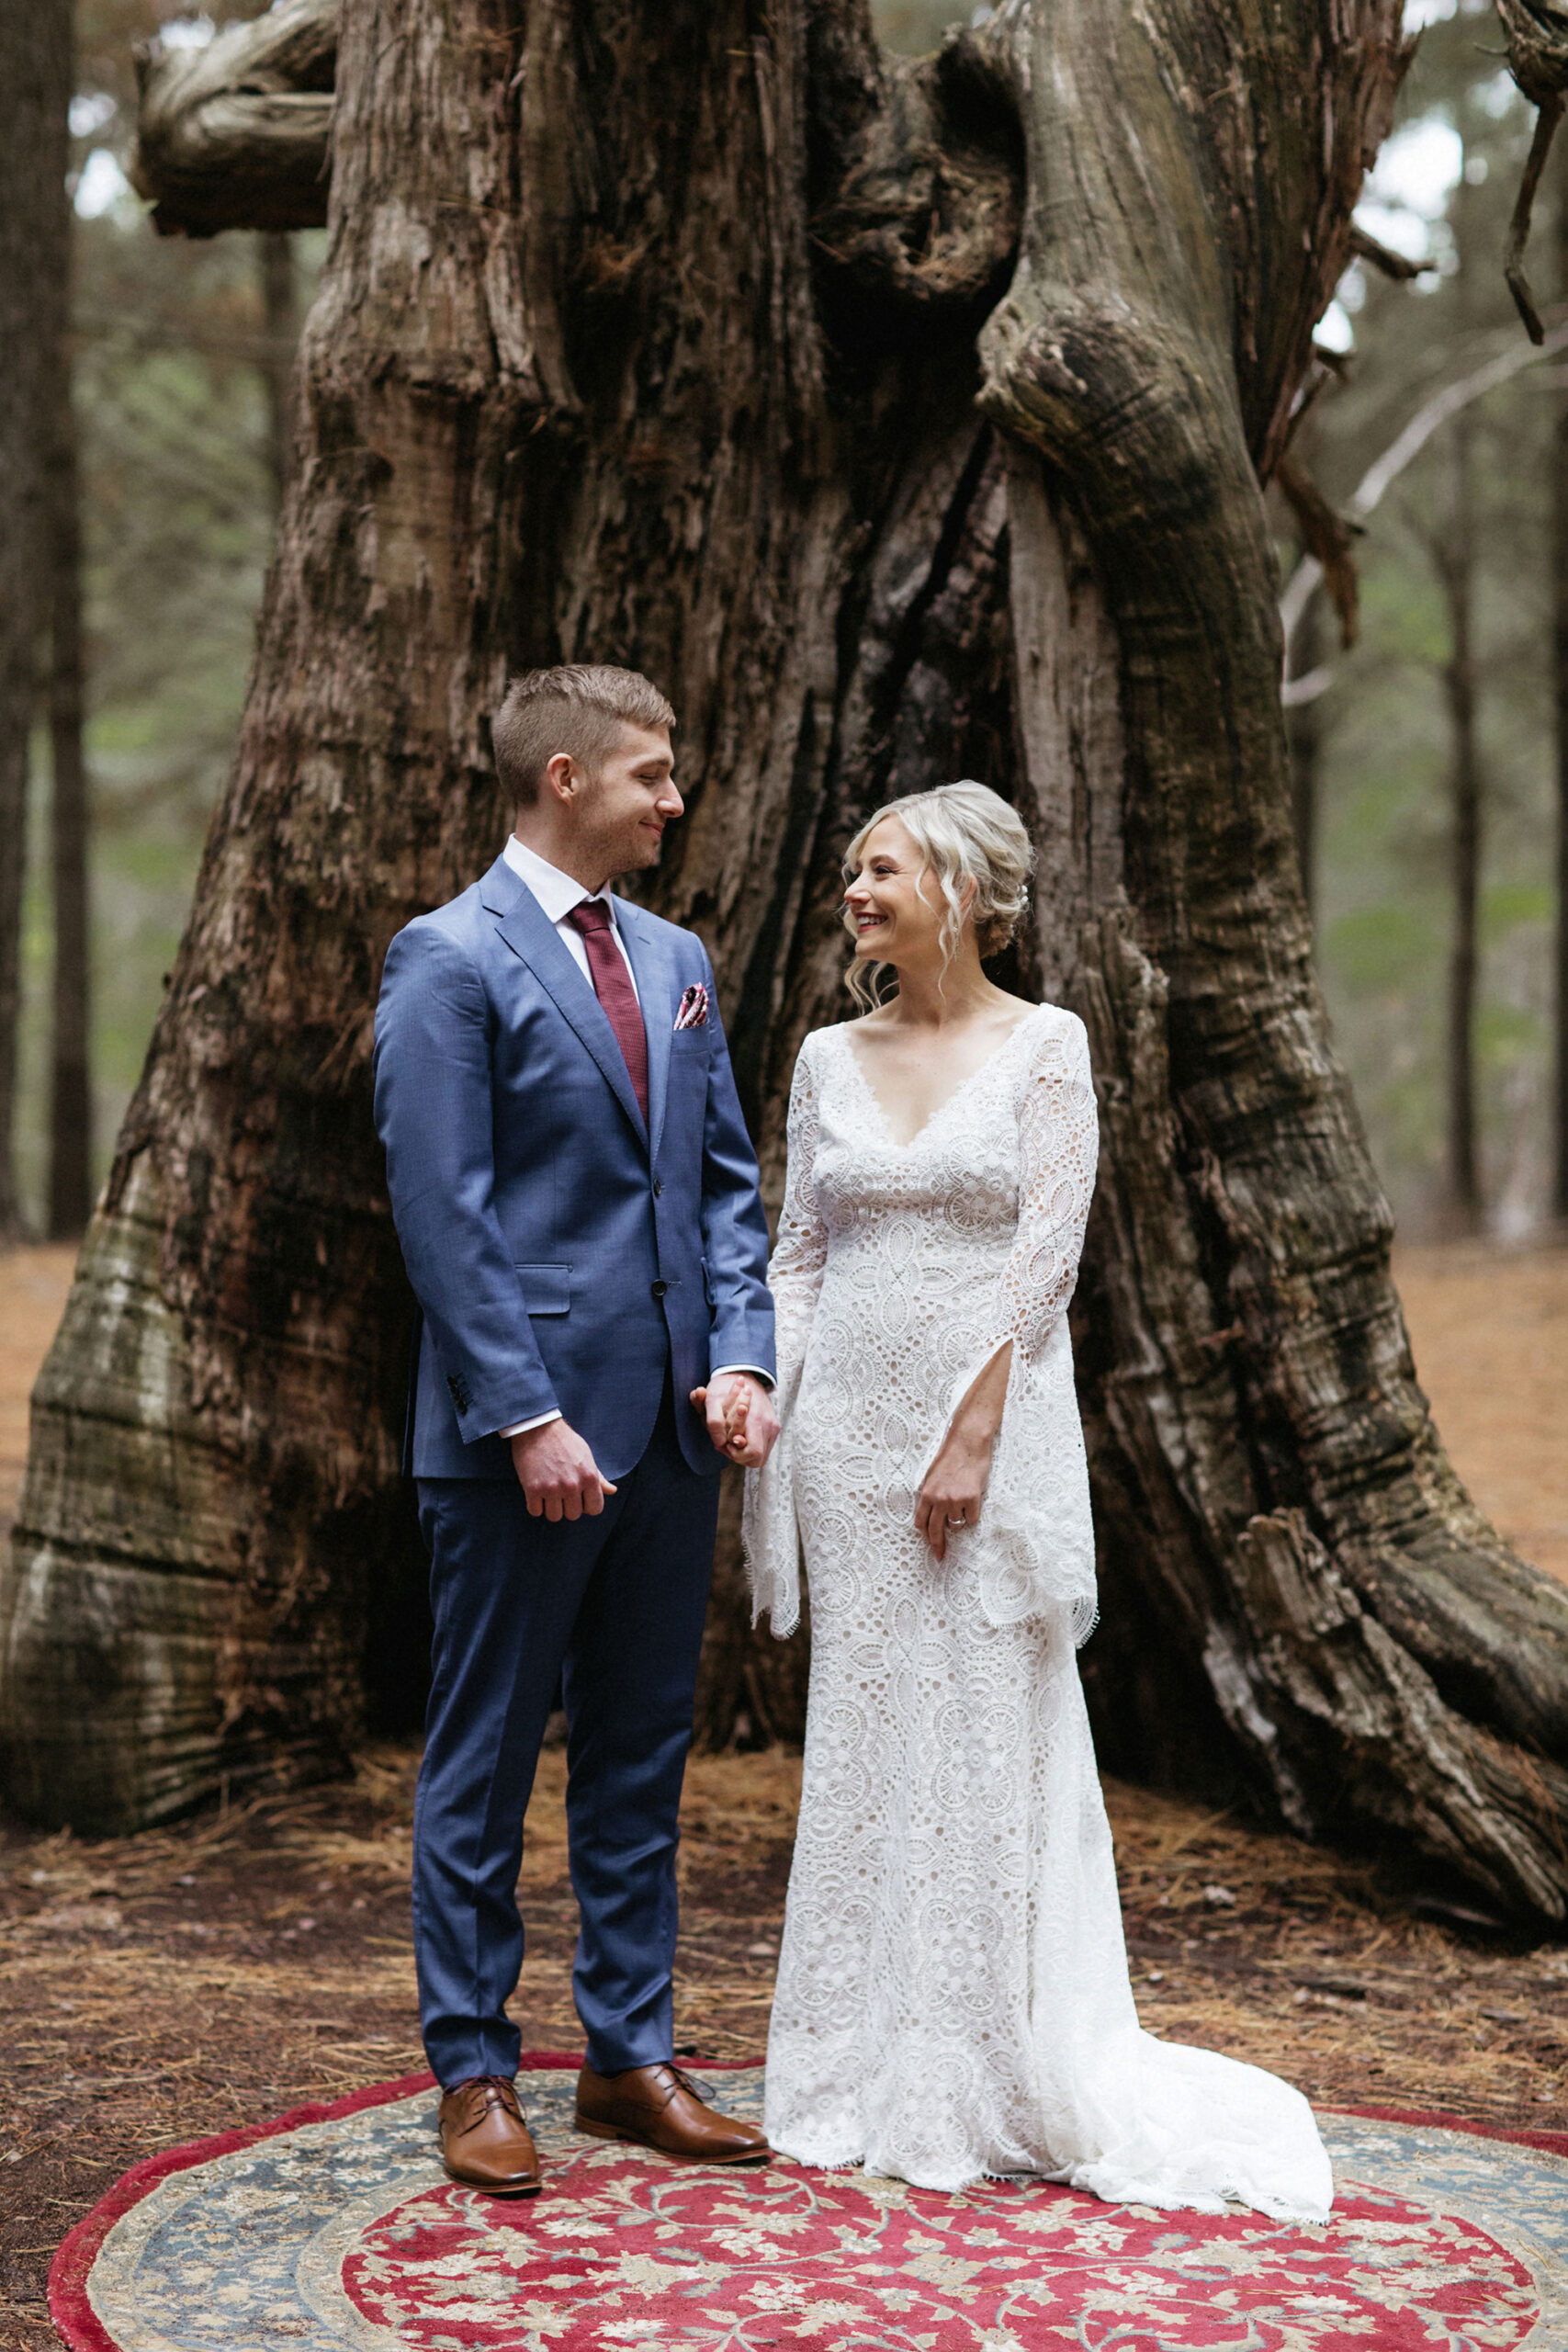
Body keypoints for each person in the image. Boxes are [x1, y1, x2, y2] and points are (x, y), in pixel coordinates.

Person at [744, 780, 1332, 2218]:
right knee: (870, 1732)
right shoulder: (827, 1055)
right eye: (850, 873)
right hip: (845, 1443)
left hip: (978, 1432)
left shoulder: (1046, 1046)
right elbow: (798, 1255)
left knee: (982, 1732)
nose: (854, 893)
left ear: (960, 889)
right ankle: (847, 2070)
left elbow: (1044, 1262)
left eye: (880, 871)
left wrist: (972, 1436)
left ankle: (987, 2064)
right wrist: (768, 1387)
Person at [375, 663, 780, 2196]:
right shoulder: (447, 958)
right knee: (483, 1756)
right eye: (650, 775)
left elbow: (725, 1185)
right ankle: (474, 2071)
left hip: (678, 1438)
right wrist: (526, 1415)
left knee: (639, 1752)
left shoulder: (674, 955)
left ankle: (629, 2056)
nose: (673, 799)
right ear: (561, 776)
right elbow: (443, 1213)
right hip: (516, 1447)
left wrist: (742, 1359)